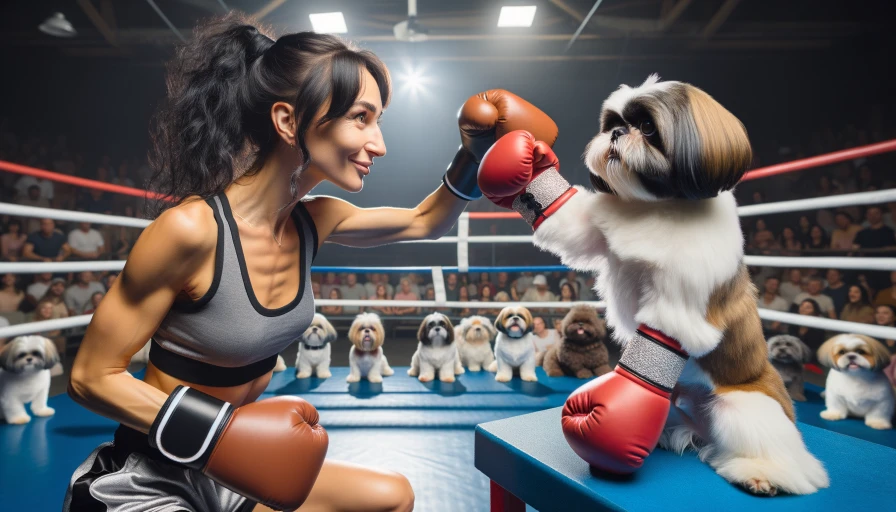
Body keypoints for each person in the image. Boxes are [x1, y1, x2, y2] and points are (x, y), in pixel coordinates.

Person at [65, 12, 556, 512]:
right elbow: (90, 376)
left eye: (378, 121)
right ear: (287, 121)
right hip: (152, 475)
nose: (379, 144)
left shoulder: (315, 221)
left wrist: (473, 154)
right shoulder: (191, 230)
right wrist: (221, 433)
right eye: (361, 118)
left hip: (234, 473)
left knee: (392, 498)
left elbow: (423, 222)